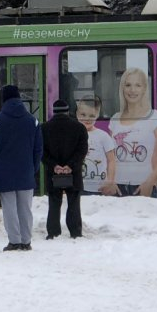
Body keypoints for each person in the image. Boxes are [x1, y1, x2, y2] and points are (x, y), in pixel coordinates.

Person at [0, 85, 41, 251]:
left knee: (9, 208)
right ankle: (26, 240)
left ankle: (14, 241)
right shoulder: (33, 121)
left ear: (4, 100)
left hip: (3, 172)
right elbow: (38, 150)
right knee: (25, 208)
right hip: (26, 170)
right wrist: (33, 168)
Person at [105, 68, 157, 198]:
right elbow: (109, 156)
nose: (132, 90)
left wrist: (149, 182)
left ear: (144, 88)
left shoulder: (154, 117)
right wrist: (110, 182)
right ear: (122, 88)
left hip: (143, 188)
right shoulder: (115, 119)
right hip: (117, 189)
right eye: (128, 85)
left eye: (137, 85)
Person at [42, 99, 88, 239]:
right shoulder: (79, 127)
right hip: (73, 173)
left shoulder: (44, 128)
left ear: (53, 112)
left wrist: (54, 166)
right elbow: (82, 150)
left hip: (53, 173)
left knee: (54, 202)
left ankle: (53, 232)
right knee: (74, 202)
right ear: (68, 111)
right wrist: (70, 166)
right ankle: (75, 231)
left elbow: (41, 152)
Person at [77, 96, 117, 195]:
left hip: (99, 188)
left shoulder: (103, 136)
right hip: (77, 187)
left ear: (97, 115)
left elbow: (111, 160)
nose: (87, 118)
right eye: (83, 114)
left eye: (91, 116)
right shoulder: (73, 135)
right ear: (77, 114)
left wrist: (110, 182)